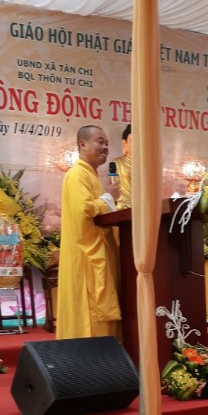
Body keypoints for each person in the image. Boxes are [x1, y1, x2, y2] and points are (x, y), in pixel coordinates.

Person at [57, 125, 122, 340]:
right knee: (91, 319)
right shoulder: (77, 175)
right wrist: (108, 198)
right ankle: (91, 359)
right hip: (86, 260)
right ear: (82, 144)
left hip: (96, 258)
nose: (105, 147)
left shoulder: (91, 176)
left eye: (107, 143)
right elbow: (83, 211)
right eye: (100, 141)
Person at [111, 124, 132, 209]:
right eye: (132, 141)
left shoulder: (145, 165)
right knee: (120, 205)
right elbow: (115, 186)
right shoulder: (117, 163)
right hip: (124, 203)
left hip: (141, 202)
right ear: (124, 143)